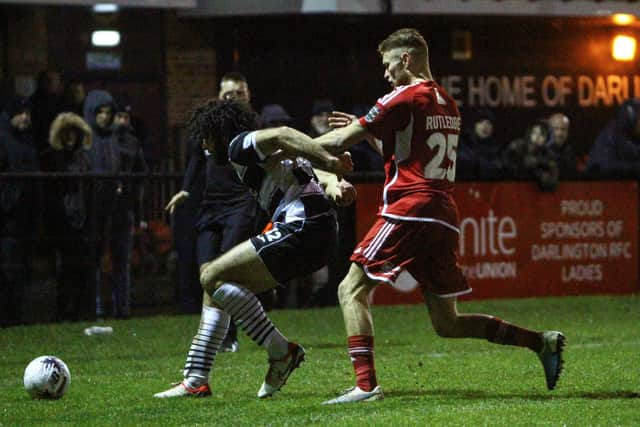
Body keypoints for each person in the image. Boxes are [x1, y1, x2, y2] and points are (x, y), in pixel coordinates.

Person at [312, 28, 565, 404]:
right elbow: (410, 150)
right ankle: (541, 342)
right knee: (448, 323)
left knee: (350, 289)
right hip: (442, 213)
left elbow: (335, 143)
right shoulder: (446, 101)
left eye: (387, 65)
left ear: (406, 59)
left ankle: (365, 386)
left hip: (410, 208)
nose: (385, 74)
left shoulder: (402, 96)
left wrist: (287, 147)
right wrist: (368, 134)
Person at [155, 98, 354, 399]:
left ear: (221, 134)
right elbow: (303, 165)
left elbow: (283, 133)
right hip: (319, 232)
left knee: (211, 276)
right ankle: (196, 377)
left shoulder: (239, 144)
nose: (206, 148)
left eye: (207, 138)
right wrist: (334, 184)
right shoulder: (265, 154)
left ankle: (280, 351)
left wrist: (331, 163)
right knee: (218, 281)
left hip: (302, 226)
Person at [168, 72, 262, 351]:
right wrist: (185, 189)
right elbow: (196, 159)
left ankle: (228, 335)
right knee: (207, 271)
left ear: (248, 95)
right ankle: (213, 335)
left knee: (227, 270)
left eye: (239, 93)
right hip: (211, 206)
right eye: (227, 94)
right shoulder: (211, 126)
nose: (232, 98)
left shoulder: (253, 126)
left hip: (241, 205)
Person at [40, 112, 95, 321]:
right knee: (64, 269)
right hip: (62, 222)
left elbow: (89, 190)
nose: (70, 138)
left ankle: (81, 312)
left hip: (81, 219)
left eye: (74, 133)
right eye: (66, 134)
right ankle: (63, 311)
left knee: (82, 268)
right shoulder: (52, 158)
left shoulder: (83, 158)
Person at [0, 96, 39, 326]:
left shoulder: (26, 139)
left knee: (19, 269)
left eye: (28, 113)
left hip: (24, 216)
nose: (25, 117)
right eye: (20, 113)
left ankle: (15, 316)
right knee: (9, 269)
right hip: (9, 217)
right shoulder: (4, 139)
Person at [586, 98, 640, 179]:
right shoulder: (612, 133)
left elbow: (633, 151)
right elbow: (607, 166)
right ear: (631, 117)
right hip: (598, 185)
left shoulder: (627, 134)